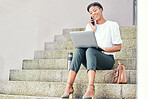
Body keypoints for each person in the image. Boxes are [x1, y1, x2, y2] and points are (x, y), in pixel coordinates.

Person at [61, 2, 122, 99]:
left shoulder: (112, 25)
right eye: (91, 13)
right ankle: (68, 86)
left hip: (107, 59)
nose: (93, 14)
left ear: (101, 10)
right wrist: (93, 30)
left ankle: (91, 88)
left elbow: (118, 47)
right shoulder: (90, 26)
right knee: (79, 51)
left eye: (95, 10)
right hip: (91, 59)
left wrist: (103, 49)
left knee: (91, 50)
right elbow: (85, 43)